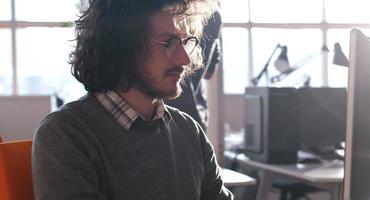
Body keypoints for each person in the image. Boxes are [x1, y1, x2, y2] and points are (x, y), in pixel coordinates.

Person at [32, 0, 233, 200]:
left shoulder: (189, 131)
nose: (184, 59)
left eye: (185, 42)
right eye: (169, 43)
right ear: (122, 46)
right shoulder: (66, 134)